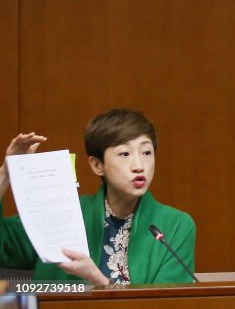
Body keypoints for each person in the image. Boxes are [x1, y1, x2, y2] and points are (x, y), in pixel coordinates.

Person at [0, 109, 195, 284]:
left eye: (146, 152)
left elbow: (168, 302)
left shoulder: (176, 225)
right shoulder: (62, 214)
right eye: (125, 154)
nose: (139, 165)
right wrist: (5, 174)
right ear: (97, 165)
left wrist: (97, 280)